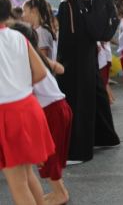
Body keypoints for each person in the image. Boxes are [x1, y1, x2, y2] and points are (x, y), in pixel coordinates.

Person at [34, 0, 120, 163]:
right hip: (82, 14)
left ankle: (77, 150)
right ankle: (103, 135)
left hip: (74, 15)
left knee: (74, 81)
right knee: (90, 78)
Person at [0, 0, 55, 205]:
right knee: (27, 174)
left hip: (6, 114)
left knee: (18, 184)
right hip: (28, 108)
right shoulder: (18, 36)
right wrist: (19, 84)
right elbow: (41, 72)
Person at [10, 22, 72, 205]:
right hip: (60, 107)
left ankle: (60, 194)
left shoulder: (27, 63)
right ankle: (59, 191)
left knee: (48, 155)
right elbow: (61, 69)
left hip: (52, 110)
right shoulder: (38, 58)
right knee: (50, 155)